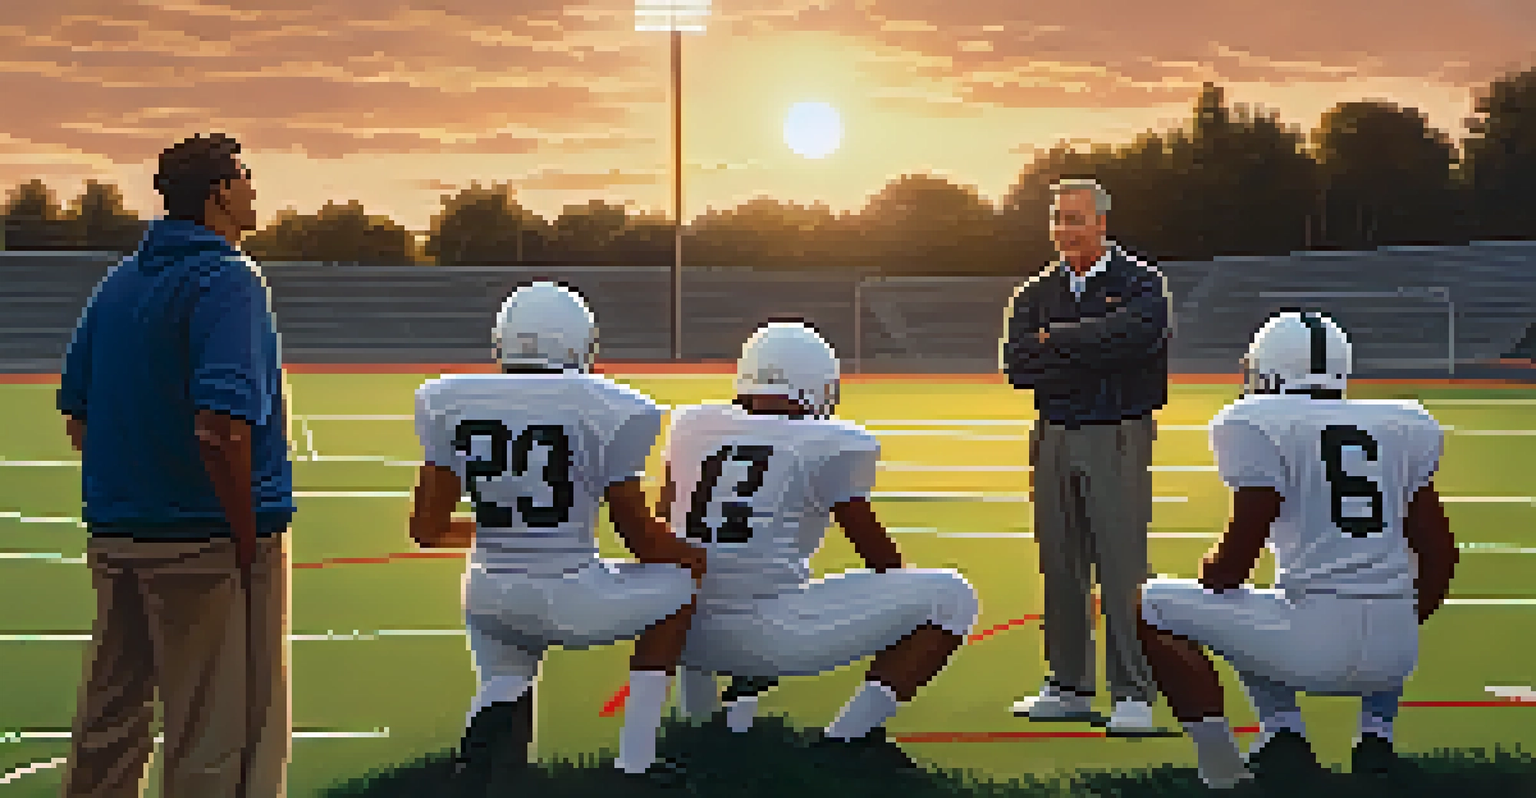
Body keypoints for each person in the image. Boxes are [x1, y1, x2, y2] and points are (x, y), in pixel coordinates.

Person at [616, 321, 981, 775]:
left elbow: (668, 521)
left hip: (677, 631)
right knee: (952, 598)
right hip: (767, 636)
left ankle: (705, 727)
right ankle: (847, 741)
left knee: (703, 573)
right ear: (815, 384)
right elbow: (880, 559)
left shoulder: (692, 424)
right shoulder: (832, 442)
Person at [58, 133, 293, 796]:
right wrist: (243, 539)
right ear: (220, 192)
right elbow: (221, 429)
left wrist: (138, 489)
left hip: (119, 536)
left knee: (109, 723)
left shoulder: (118, 283)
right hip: (204, 541)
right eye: (244, 175)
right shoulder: (228, 279)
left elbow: (78, 418)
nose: (252, 188)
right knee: (216, 735)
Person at [1136, 311, 1458, 790]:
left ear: (1269, 371)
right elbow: (1440, 554)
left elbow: (1232, 569)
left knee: (1153, 605)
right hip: (1394, 655)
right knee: (1345, 594)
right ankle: (1373, 738)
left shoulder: (1256, 422)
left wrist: (1210, 570)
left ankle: (1224, 766)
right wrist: (1401, 618)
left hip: (1312, 647)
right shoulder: (1404, 423)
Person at [407, 282, 706, 785]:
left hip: (487, 593)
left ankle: (487, 745)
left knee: (506, 677)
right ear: (579, 344)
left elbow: (427, 528)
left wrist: (508, 528)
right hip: (571, 594)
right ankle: (637, 760)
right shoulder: (616, 405)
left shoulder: (446, 399)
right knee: (680, 589)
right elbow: (640, 540)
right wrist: (693, 556)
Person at [1000, 178, 1171, 735]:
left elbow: (1136, 339)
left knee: (1121, 565)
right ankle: (1068, 686)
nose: (1064, 230)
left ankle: (1133, 692)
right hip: (1053, 433)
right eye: (1057, 219)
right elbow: (1019, 366)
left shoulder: (1141, 283)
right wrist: (1091, 348)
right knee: (1060, 563)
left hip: (1117, 432)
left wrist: (1056, 341)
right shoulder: (1034, 294)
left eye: (1075, 218)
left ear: (1101, 222)